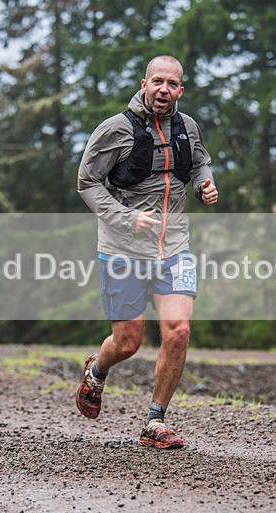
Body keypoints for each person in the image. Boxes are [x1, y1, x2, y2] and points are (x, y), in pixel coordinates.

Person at [75, 55, 218, 449]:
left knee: (179, 331)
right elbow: (87, 183)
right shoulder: (115, 129)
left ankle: (155, 421)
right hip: (122, 249)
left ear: (180, 90)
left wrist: (205, 184)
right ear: (144, 84)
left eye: (172, 84)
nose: (164, 89)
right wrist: (126, 218)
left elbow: (200, 164)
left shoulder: (188, 127)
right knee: (127, 342)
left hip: (174, 247)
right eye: (157, 81)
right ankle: (97, 369)